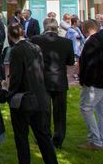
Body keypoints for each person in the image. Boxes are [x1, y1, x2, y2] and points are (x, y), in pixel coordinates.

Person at [6, 23, 62, 164]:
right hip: (41, 96)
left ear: (10, 35)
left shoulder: (16, 51)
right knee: (43, 136)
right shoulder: (35, 47)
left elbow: (16, 77)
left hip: (25, 99)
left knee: (21, 136)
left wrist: (9, 94)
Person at [30, 17, 75, 149]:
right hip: (59, 80)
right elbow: (71, 62)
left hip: (42, 80)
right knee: (60, 112)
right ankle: (58, 139)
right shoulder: (66, 42)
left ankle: (44, 136)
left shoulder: (36, 40)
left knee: (44, 110)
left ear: (44, 27)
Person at [78, 19, 103, 150]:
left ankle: (95, 140)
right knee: (102, 110)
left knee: (86, 108)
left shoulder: (92, 42)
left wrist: (84, 81)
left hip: (95, 82)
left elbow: (89, 64)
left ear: (86, 29)